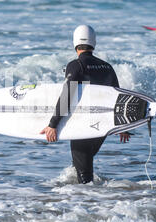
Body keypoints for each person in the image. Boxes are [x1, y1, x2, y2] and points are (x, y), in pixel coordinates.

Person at [40, 25, 130, 184]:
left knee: (83, 171)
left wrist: (53, 124)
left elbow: (68, 94)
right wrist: (123, 126)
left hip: (84, 124)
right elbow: (118, 97)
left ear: (75, 42)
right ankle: (89, 199)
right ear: (93, 42)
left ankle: (90, 200)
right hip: (101, 127)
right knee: (82, 163)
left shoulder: (76, 65)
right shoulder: (107, 67)